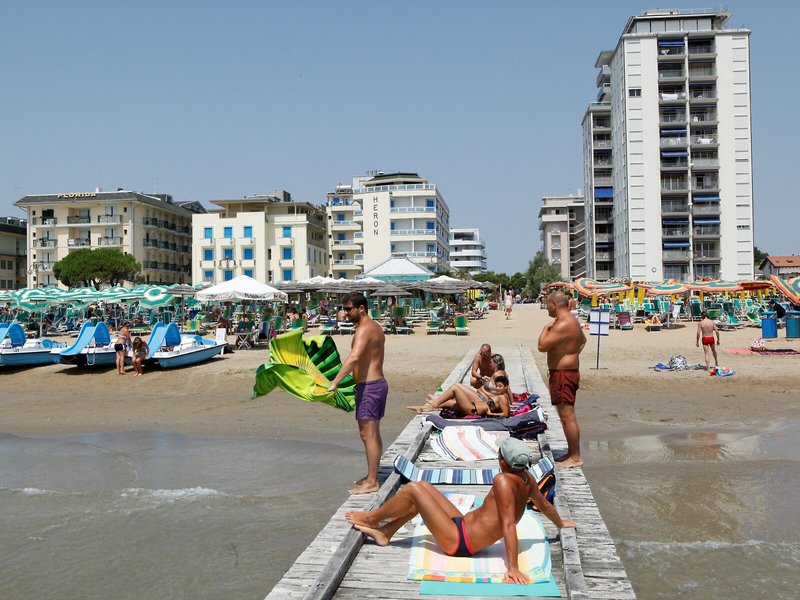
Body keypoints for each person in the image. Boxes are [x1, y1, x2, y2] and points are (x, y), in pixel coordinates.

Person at [345, 437, 576, 584]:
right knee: (424, 488)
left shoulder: (503, 481)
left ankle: (371, 518)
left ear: (503, 462)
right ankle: (386, 533)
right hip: (463, 526)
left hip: (460, 542)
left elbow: (508, 523)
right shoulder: (527, 478)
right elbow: (545, 505)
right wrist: (561, 523)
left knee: (414, 489)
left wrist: (513, 567)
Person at [328, 292, 387, 495]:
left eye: (348, 309)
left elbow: (354, 358)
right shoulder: (375, 327)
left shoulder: (364, 329)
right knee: (372, 433)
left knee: (367, 434)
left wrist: (335, 382)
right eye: (344, 309)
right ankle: (372, 475)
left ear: (361, 308)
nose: (345, 313)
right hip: (375, 385)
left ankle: (372, 482)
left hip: (370, 387)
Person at [538, 291, 586, 469]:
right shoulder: (572, 321)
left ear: (554, 305)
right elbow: (583, 341)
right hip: (565, 372)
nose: (546, 309)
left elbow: (542, 346)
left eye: (547, 305)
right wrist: (570, 355)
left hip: (564, 374)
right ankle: (571, 453)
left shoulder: (563, 323)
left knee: (567, 416)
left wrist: (545, 328)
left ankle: (575, 457)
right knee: (565, 415)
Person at [410, 377, 511, 417]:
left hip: (473, 409)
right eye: (497, 386)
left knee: (456, 387)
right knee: (446, 403)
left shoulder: (502, 398)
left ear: (506, 387)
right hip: (471, 406)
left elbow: (505, 414)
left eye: (500, 386)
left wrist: (491, 414)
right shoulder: (501, 396)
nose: (497, 388)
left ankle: (431, 406)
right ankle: (422, 408)